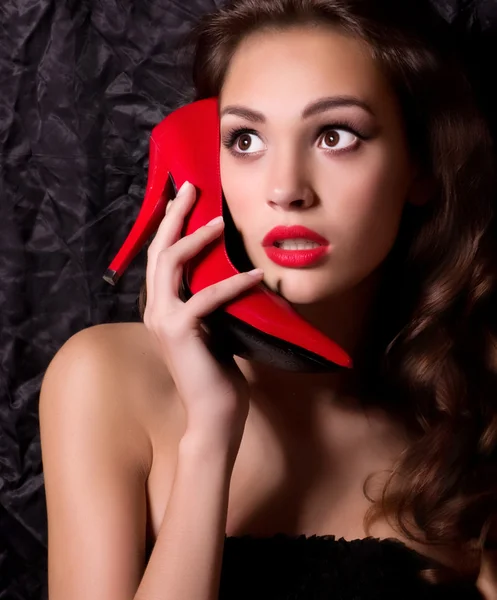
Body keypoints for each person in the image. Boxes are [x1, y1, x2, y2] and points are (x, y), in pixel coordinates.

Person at [39, 0, 497, 598]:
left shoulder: (465, 406)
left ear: (421, 165)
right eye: (246, 139)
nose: (285, 189)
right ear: (204, 157)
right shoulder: (106, 379)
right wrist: (210, 434)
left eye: (335, 136)